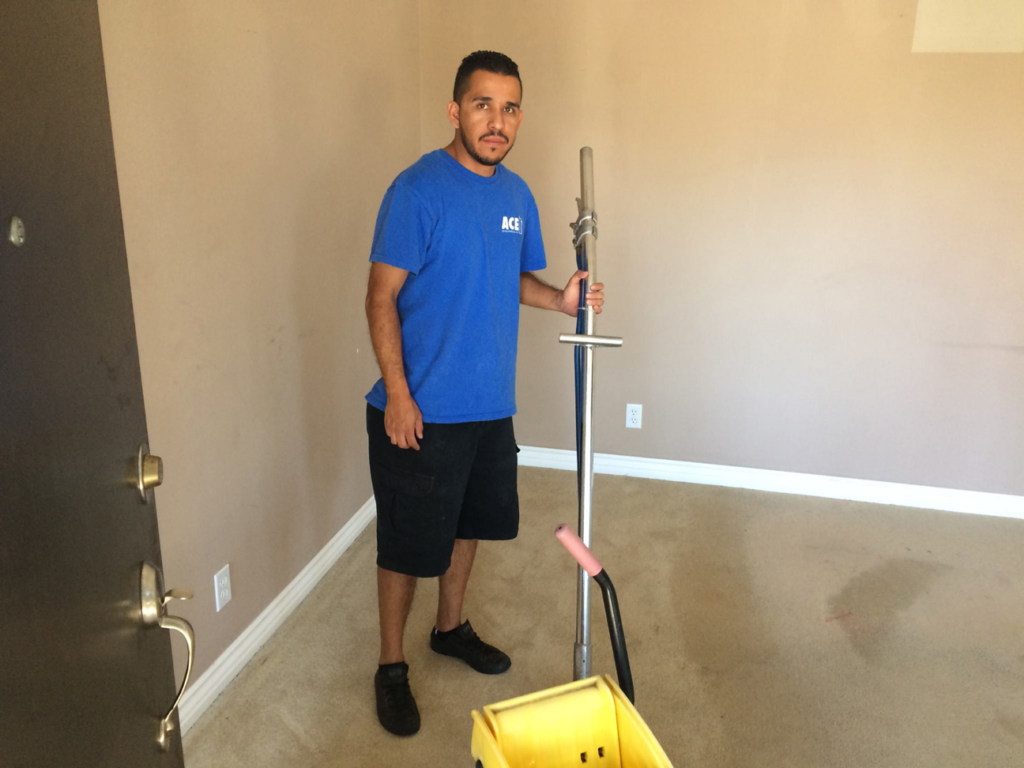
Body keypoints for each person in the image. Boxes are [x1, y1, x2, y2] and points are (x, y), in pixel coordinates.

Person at [364, 50, 604, 736]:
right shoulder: (417, 191)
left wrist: (561, 299)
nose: (496, 121)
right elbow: (380, 298)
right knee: (407, 545)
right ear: (454, 111)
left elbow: (513, 280)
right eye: (482, 105)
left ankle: (450, 628)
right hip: (421, 409)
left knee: (471, 525)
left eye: (509, 108)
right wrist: (402, 396)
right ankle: (390, 666)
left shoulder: (516, 196)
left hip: (490, 406)